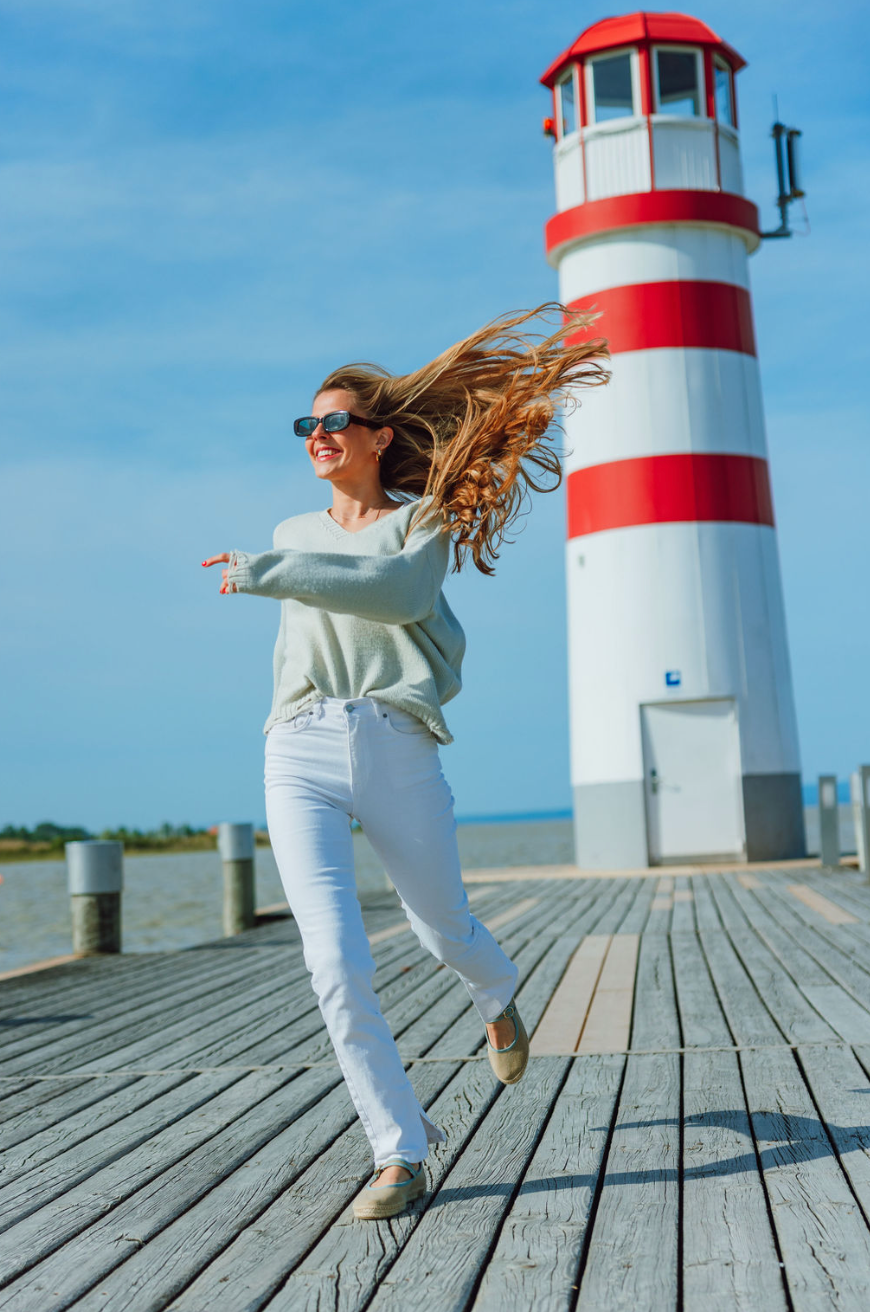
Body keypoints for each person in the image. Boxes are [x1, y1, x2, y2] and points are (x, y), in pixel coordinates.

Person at [203, 304, 608, 1220]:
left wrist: (263, 570)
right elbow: (323, 576)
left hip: (397, 741)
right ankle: (399, 1151)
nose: (318, 436)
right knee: (334, 961)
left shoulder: (419, 524)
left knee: (441, 927)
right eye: (307, 425)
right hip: (298, 744)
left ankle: (496, 993)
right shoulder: (294, 528)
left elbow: (394, 592)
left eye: (335, 421)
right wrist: (276, 558)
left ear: (381, 435)